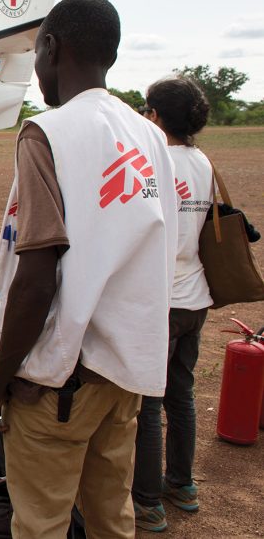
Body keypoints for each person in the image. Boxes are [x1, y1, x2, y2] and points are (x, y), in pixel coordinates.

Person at [0, 0, 178, 539]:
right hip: (122, 375)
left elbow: (36, 278)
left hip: (58, 384)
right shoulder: (150, 137)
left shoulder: (48, 133)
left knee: (40, 523)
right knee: (113, 517)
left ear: (50, 47)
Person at [132, 77, 214, 532]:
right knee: (181, 394)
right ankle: (181, 484)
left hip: (161, 299)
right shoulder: (203, 162)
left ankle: (146, 500)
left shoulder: (155, 161)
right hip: (194, 297)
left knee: (147, 402)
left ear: (157, 115)